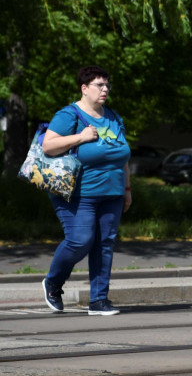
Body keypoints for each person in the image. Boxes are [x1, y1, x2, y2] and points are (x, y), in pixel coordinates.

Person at [40, 65, 131, 316]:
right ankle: (53, 282)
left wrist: (127, 188)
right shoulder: (70, 115)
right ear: (84, 88)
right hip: (77, 193)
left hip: (112, 193)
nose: (105, 89)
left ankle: (99, 300)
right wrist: (80, 137)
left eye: (107, 85)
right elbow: (49, 145)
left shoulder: (113, 117)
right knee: (80, 241)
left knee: (104, 244)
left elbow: (123, 155)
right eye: (99, 85)